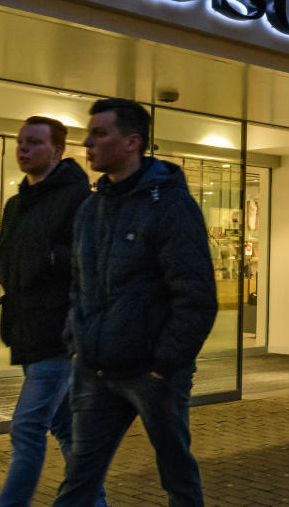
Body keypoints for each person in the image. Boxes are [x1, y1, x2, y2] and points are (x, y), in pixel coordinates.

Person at [53, 98, 217, 507]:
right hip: (95, 367)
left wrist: (164, 365)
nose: (87, 142)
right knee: (79, 479)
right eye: (89, 133)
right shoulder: (91, 208)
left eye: (100, 133)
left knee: (176, 472)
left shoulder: (171, 206)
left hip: (151, 373)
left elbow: (195, 296)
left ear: (132, 142)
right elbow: (79, 282)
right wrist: (78, 340)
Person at [0, 117, 106, 507]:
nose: (23, 149)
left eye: (34, 143)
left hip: (59, 331)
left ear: (57, 150)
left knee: (27, 426)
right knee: (65, 426)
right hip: (26, 327)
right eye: (21, 142)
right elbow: (10, 256)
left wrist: (46, 259)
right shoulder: (18, 203)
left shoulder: (79, 199)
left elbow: (92, 260)